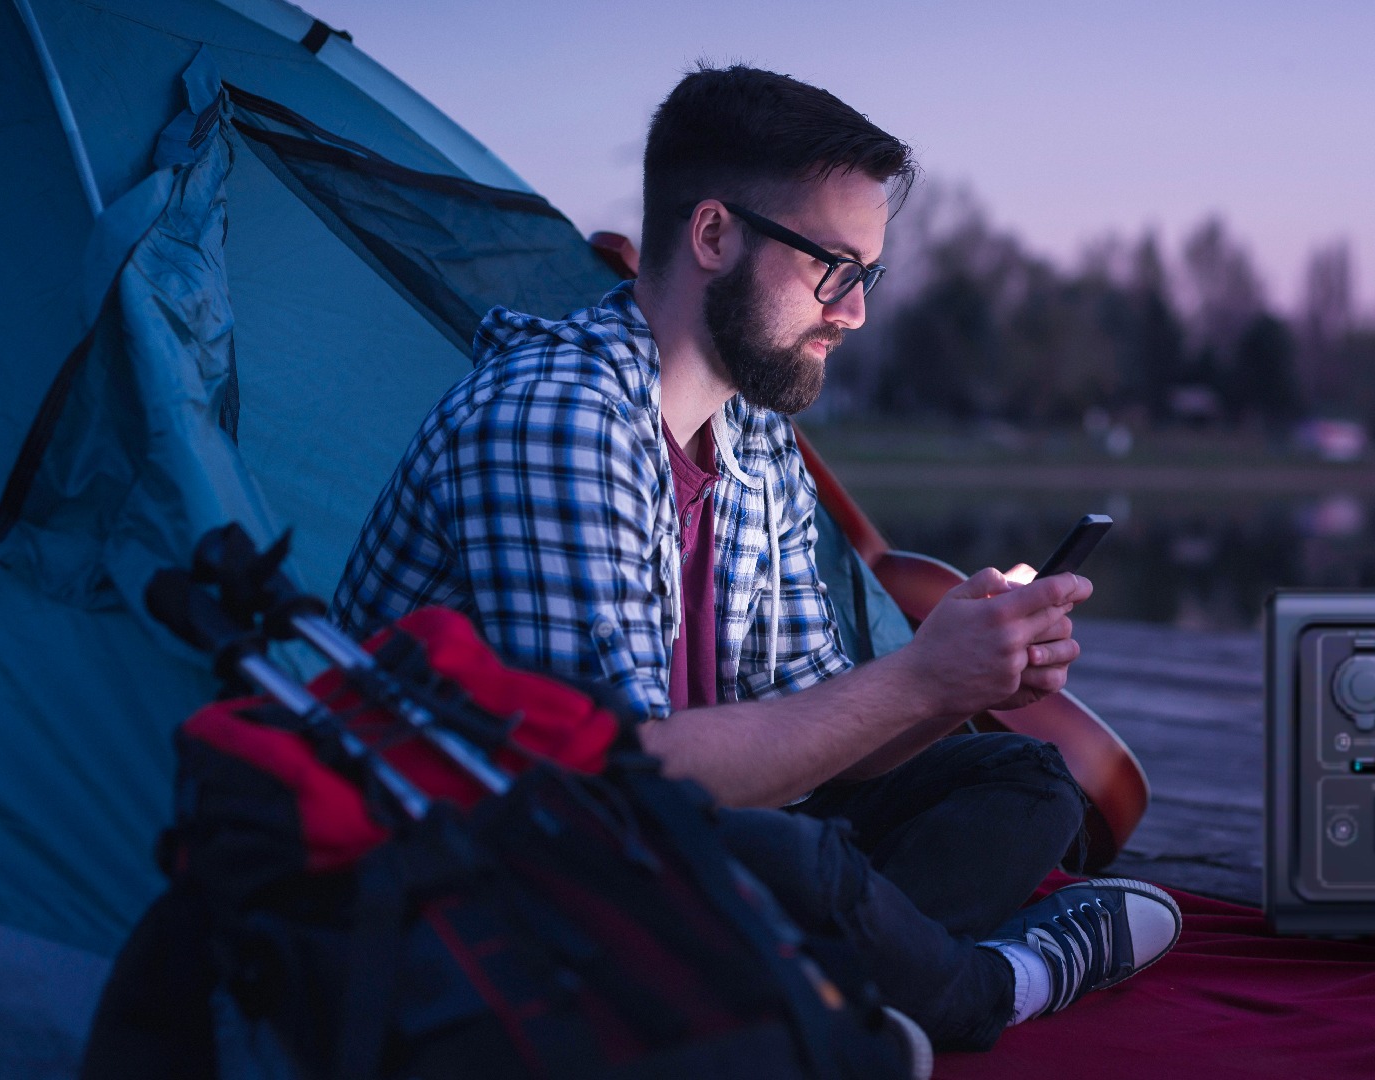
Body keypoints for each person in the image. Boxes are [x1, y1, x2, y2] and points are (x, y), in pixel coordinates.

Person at [332, 64, 1180, 1051]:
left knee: (1024, 780)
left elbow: (820, 740)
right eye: (835, 267)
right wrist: (917, 677)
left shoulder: (753, 434)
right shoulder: (555, 418)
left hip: (692, 845)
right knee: (786, 856)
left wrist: (954, 682)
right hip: (496, 876)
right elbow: (613, 789)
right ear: (714, 235)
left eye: (868, 274)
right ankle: (991, 986)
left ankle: (809, 999)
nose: (854, 311)